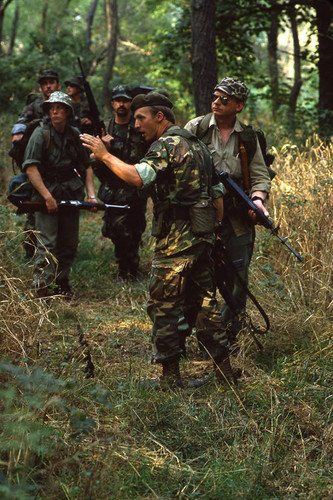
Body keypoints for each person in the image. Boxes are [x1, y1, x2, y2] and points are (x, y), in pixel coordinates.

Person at [81, 91, 235, 388]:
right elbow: (217, 197)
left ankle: (169, 377)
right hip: (202, 238)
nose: (137, 124)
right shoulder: (199, 146)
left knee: (164, 304)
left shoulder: (166, 145)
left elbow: (139, 176)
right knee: (205, 304)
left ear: (160, 117)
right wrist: (211, 234)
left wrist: (104, 155)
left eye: (142, 118)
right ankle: (224, 370)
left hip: (176, 241)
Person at [185, 77, 271, 350]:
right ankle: (191, 336)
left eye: (224, 99)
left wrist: (257, 200)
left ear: (238, 106)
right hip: (200, 213)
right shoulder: (195, 129)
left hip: (236, 216)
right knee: (195, 275)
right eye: (215, 97)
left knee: (238, 276)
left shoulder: (248, 137)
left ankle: (229, 335)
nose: (216, 102)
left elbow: (260, 175)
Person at [22, 91, 96, 298]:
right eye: (51, 108)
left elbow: (87, 167)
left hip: (70, 193)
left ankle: (62, 283)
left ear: (67, 112)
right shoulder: (40, 134)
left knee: (69, 243)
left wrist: (91, 196)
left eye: (60, 108)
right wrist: (47, 197)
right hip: (46, 193)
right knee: (47, 243)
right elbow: (31, 169)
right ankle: (42, 288)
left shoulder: (73, 134)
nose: (55, 111)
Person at [96, 84, 148, 279]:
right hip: (113, 189)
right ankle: (122, 268)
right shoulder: (105, 128)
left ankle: (133, 268)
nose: (121, 104)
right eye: (118, 100)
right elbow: (94, 163)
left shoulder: (138, 127)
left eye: (125, 100)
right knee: (117, 230)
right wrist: (105, 149)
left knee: (136, 229)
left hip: (134, 188)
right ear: (112, 103)